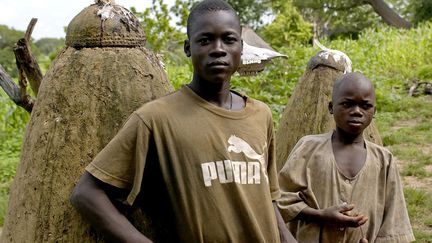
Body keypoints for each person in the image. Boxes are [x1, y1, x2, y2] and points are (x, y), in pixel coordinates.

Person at [70, 0, 296, 242]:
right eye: (205, 40)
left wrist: (288, 239)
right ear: (188, 48)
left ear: (241, 47)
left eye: (229, 40)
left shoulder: (260, 115)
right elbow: (86, 193)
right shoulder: (157, 119)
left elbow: (267, 196)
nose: (218, 49)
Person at [277, 72, 415, 242]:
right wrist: (320, 215)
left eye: (365, 106)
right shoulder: (308, 148)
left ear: (374, 110)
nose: (357, 111)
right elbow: (281, 199)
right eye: (347, 104)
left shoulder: (384, 160)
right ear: (330, 107)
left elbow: (394, 221)